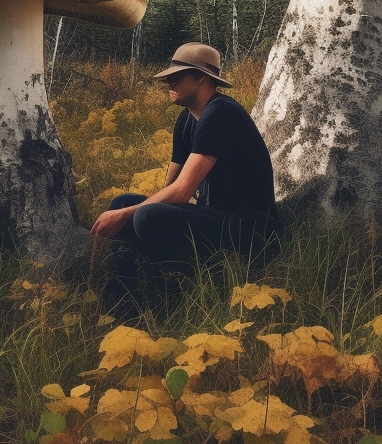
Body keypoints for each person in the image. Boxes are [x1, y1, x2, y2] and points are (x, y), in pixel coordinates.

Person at [91, 42, 279, 312]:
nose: (168, 82)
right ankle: (124, 302)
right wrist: (126, 211)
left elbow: (180, 193)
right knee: (124, 202)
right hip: (214, 219)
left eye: (177, 76)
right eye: (168, 76)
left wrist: (126, 217)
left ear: (202, 78)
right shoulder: (187, 120)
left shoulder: (221, 113)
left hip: (251, 233)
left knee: (142, 215)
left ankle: (178, 298)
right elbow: (170, 189)